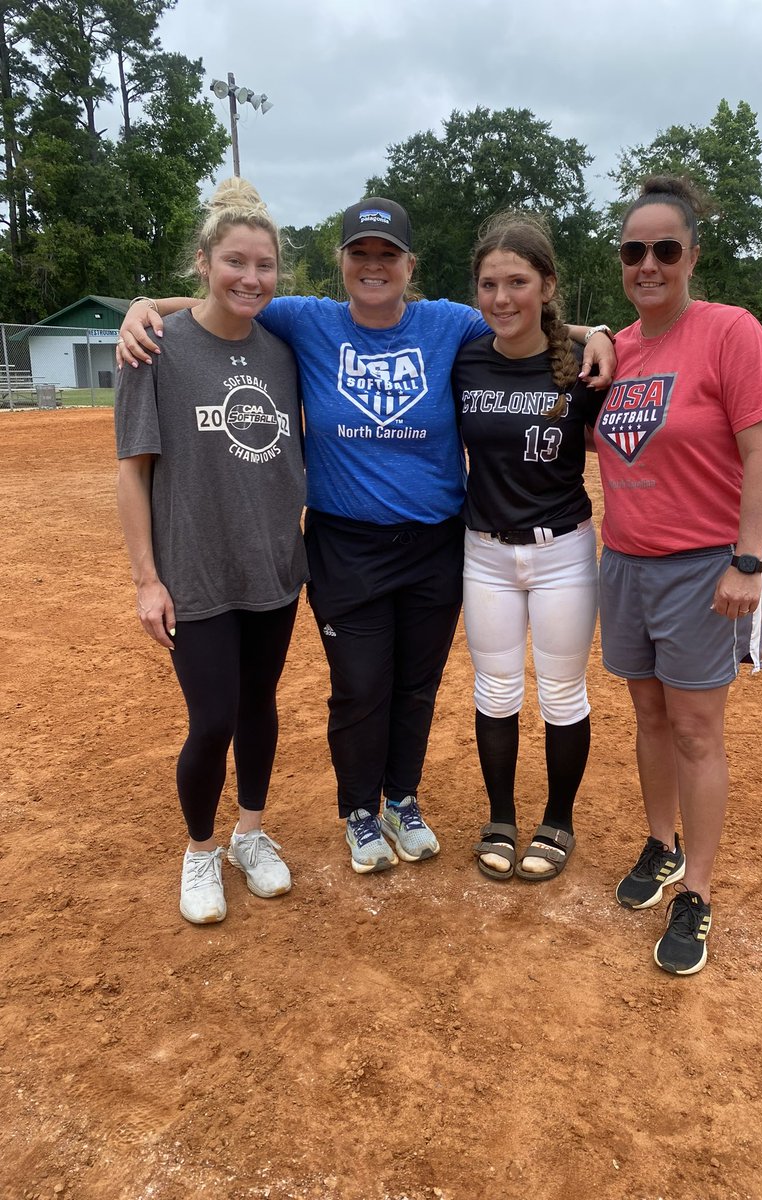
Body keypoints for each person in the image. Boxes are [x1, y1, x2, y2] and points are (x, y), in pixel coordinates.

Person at [117, 197, 617, 875]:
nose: (374, 267)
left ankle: (402, 799)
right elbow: (227, 295)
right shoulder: (306, 319)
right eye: (361, 255)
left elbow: (526, 318)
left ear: (410, 265)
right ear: (343, 263)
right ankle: (359, 810)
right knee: (360, 684)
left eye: (388, 256)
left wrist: (603, 331)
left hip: (436, 540)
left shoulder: (450, 323)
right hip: (345, 544)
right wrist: (146, 304)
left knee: (416, 684)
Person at [593, 175, 762, 974]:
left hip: (705, 566)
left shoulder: (729, 332)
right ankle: (662, 844)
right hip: (625, 561)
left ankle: (697, 891)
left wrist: (749, 558)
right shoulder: (620, 348)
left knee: (697, 730)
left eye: (664, 250)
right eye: (634, 251)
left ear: (691, 257)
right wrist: (594, 330)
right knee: (647, 716)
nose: (649, 264)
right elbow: (525, 322)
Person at [115, 178, 307, 924]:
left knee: (259, 705)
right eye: (235, 261)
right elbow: (133, 472)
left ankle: (249, 835)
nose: (250, 277)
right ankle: (201, 853)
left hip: (274, 568)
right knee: (212, 719)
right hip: (195, 572)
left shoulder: (284, 347)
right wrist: (145, 580)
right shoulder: (154, 348)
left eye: (264, 265)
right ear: (204, 262)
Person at [452, 213, 609, 881]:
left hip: (563, 552)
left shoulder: (581, 368)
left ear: (546, 284)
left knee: (564, 694)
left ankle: (558, 821)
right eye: (489, 284)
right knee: (495, 690)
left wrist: (592, 332)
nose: (501, 298)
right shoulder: (464, 355)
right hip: (485, 550)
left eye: (518, 281)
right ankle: (500, 816)